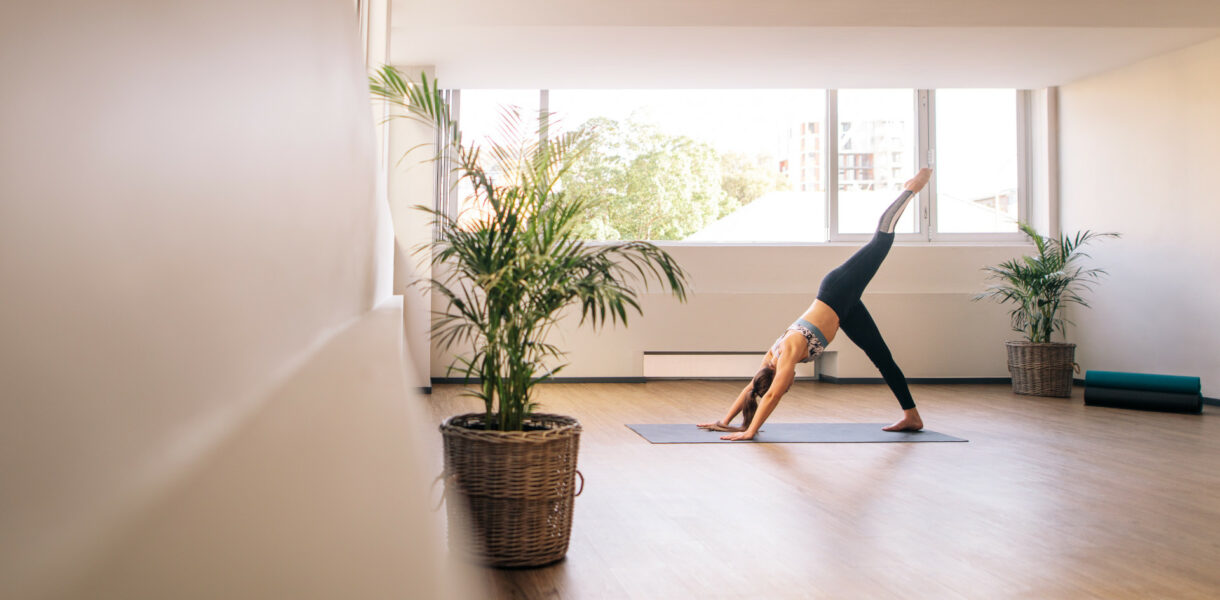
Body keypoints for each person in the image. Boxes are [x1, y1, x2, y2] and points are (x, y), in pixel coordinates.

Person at [698, 168, 933, 441]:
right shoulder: (768, 362)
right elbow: (752, 390)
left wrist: (749, 432)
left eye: (786, 385)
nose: (788, 386)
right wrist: (724, 422)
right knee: (882, 357)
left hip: (837, 290)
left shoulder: (786, 354)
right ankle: (912, 417)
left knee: (881, 241)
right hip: (844, 311)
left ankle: (911, 188)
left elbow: (772, 394)